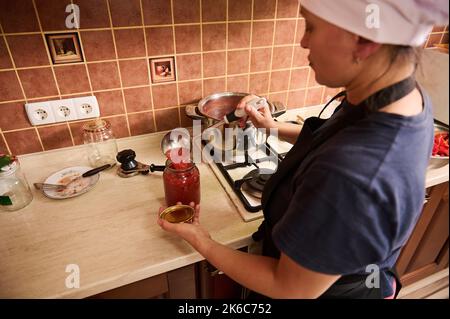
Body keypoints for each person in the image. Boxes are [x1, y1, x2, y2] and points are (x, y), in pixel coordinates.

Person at [157, 0, 449, 299]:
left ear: (365, 39)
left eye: (311, 26)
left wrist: (203, 241)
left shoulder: (352, 175)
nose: (303, 41)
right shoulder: (401, 97)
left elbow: (291, 287)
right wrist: (271, 127)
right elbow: (332, 136)